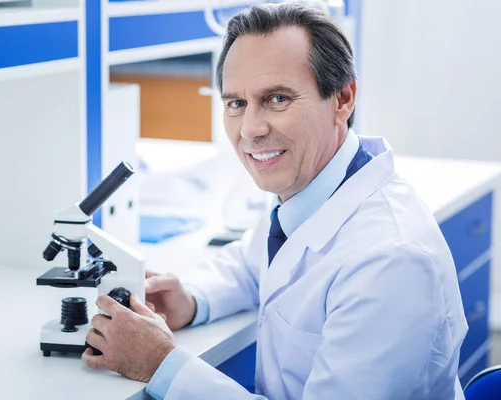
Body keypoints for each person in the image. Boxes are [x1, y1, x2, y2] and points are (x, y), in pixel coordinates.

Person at [82, 3, 468, 399]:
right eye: (236, 103)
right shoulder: (315, 189)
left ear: (343, 99)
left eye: (277, 98)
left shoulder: (391, 262)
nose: (250, 129)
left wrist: (161, 364)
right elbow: (256, 266)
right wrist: (192, 301)